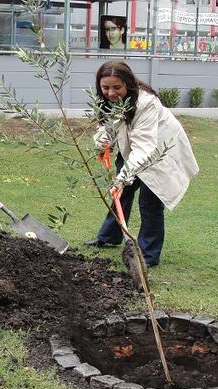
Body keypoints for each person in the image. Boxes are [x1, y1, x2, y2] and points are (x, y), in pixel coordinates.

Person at [85, 61, 199, 267]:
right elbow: (108, 127)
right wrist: (101, 140)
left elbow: (145, 146)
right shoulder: (108, 101)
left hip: (159, 154)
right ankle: (110, 236)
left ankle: (148, 255)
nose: (111, 92)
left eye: (116, 87)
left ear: (128, 84)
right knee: (121, 194)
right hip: (133, 150)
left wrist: (123, 176)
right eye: (106, 87)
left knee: (150, 204)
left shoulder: (146, 103)